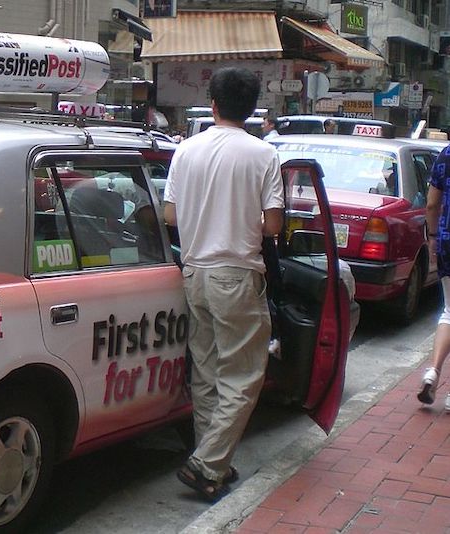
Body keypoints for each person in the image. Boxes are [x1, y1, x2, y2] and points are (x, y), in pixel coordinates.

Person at [163, 67, 284, 502]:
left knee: (208, 371)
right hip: (236, 274)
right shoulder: (263, 155)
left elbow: (171, 217)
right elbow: (272, 225)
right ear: (252, 110)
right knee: (245, 373)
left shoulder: (185, 150)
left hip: (193, 272)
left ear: (212, 103)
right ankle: (207, 463)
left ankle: (213, 465)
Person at [418, 145, 450, 409]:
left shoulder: (447, 154)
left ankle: (433, 371)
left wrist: (432, 237)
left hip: (448, 243)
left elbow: (431, 203)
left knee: (449, 311)